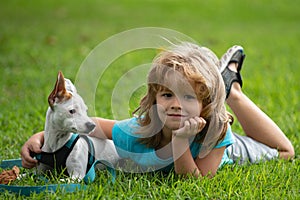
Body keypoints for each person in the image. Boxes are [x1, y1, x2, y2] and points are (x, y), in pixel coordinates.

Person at [21, 42, 294, 178]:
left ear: (204, 105)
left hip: (231, 150)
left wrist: (180, 142)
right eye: (166, 94)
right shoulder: (138, 131)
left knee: (285, 152)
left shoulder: (217, 133)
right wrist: (42, 137)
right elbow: (91, 124)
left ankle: (230, 91)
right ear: (154, 100)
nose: (176, 104)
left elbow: (194, 181)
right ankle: (220, 86)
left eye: (188, 96)